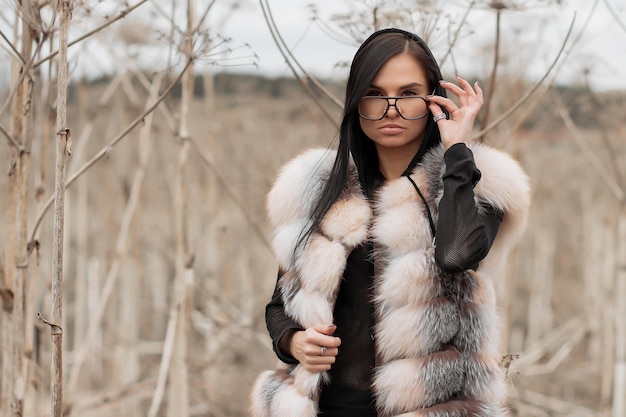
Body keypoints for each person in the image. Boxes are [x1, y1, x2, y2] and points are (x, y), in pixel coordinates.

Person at [250, 27, 530, 417]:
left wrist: (457, 154)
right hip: (324, 407)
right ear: (356, 101)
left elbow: (456, 256)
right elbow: (280, 304)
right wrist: (294, 342)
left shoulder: (476, 185)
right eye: (375, 94)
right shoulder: (316, 189)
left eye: (409, 94)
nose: (391, 110)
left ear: (435, 99)